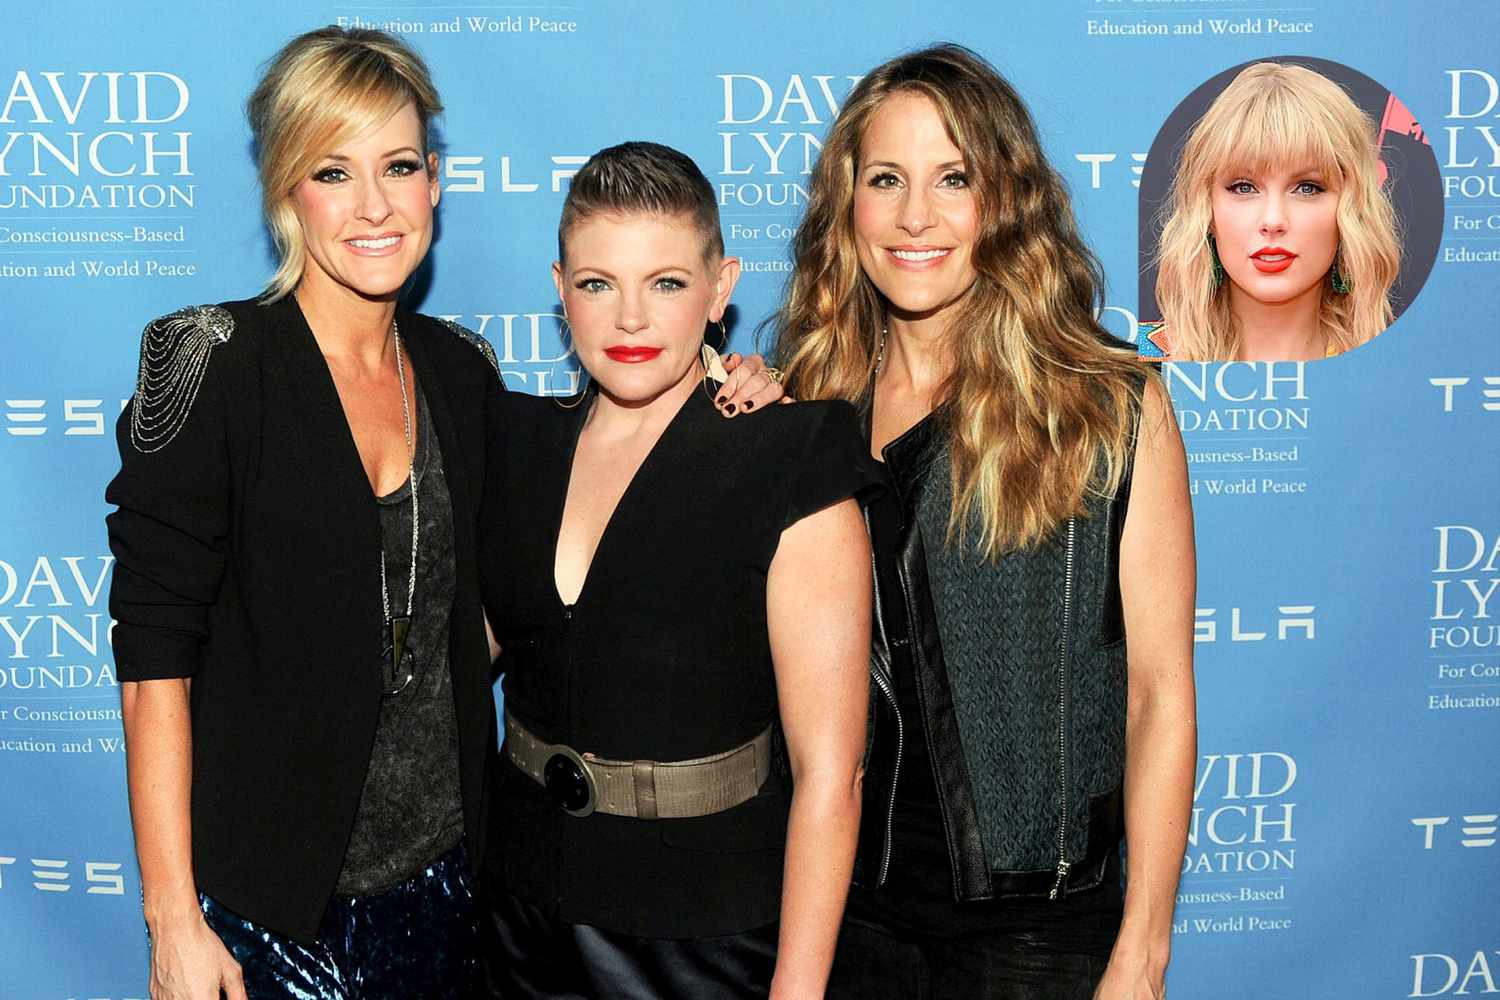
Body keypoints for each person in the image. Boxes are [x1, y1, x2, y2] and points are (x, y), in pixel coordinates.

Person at [105, 28, 780, 1000]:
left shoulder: (461, 372)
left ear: (434, 183)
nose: (374, 205)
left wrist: (732, 375)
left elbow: (540, 552)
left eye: (401, 166)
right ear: (288, 189)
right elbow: (153, 667)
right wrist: (174, 919)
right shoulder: (210, 362)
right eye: (334, 170)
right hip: (267, 905)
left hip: (453, 890)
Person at [773, 45, 1197, 1000]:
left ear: (1004, 199)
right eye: (886, 180)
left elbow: (1161, 694)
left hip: (1039, 937)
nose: (915, 216)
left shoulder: (1107, 404)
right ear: (849, 206)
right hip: (844, 919)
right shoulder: (808, 402)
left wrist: (1144, 950)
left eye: (952, 179)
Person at [479, 141, 878, 999]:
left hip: (705, 936)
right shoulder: (516, 446)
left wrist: (798, 990)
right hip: (518, 914)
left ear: (720, 288)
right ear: (560, 289)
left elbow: (831, 776)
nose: (630, 320)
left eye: (665, 283)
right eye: (597, 284)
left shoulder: (789, 455)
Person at [1146, 61, 1401, 361]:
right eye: (1244, 187)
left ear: (1351, 208)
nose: (1273, 221)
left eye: (1307, 188)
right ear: (1207, 208)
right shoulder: (1146, 365)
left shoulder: (1397, 366)